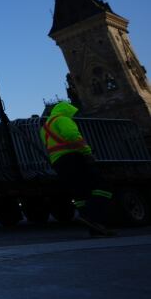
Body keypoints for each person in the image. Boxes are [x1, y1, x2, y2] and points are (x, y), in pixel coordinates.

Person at [40, 101, 115, 237]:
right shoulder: (63, 119)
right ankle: (94, 217)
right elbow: (72, 136)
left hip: (58, 162)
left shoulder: (44, 127)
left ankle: (92, 225)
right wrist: (87, 152)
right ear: (67, 110)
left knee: (80, 193)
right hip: (73, 157)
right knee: (102, 186)